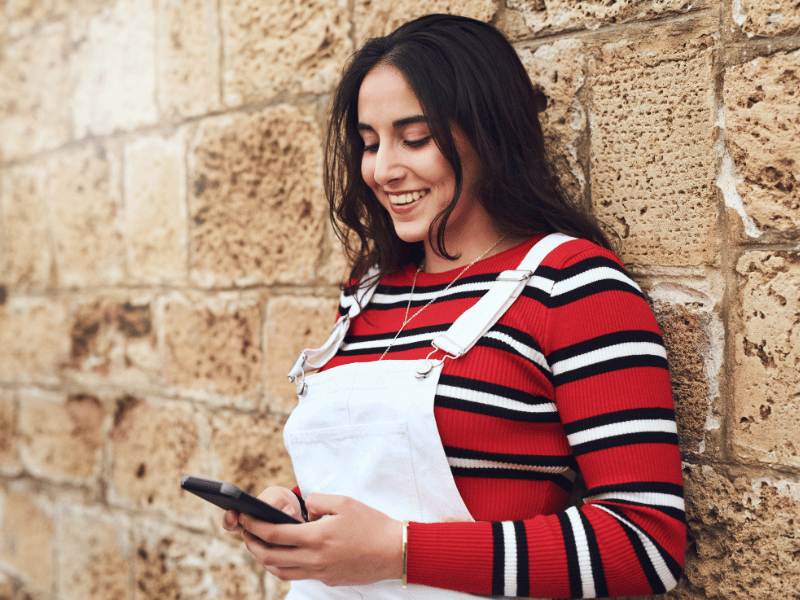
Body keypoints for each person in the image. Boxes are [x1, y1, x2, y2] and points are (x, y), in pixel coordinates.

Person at [223, 14, 686, 599]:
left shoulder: (572, 286)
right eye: (369, 143)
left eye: (415, 138)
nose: (384, 169)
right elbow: (381, 483)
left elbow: (645, 542)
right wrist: (299, 514)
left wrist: (401, 552)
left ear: (488, 133)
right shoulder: (369, 289)